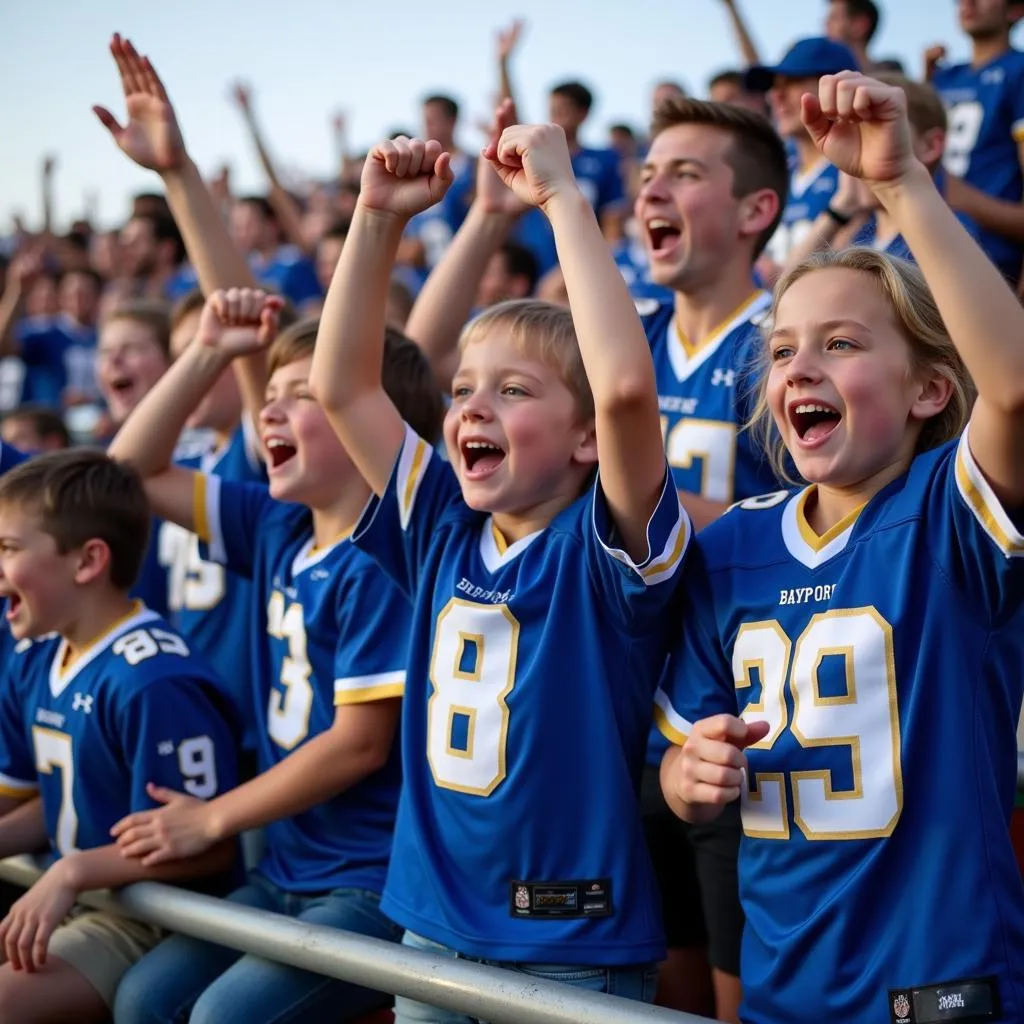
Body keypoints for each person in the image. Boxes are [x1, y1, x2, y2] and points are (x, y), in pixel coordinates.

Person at [309, 99, 690, 1020]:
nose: (473, 408)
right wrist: (377, 219)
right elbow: (343, 385)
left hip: (569, 948)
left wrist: (562, 197)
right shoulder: (439, 524)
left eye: (514, 392)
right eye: (465, 390)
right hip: (434, 927)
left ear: (587, 438)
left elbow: (630, 389)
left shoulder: (607, 551)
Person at [657, 72, 1024, 1023]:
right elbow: (684, 767)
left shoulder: (949, 517)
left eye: (843, 344)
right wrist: (687, 775)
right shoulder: (732, 544)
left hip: (938, 983)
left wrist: (903, 186)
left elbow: (1015, 390)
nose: (801, 368)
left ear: (931, 390)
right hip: (784, 987)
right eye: (781, 351)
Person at [96, 36, 443, 1023]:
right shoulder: (275, 529)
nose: (271, 416)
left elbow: (356, 746)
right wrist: (206, 350)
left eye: (303, 398)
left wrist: (210, 816)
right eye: (273, 399)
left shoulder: (381, 552)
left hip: (366, 879)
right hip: (283, 862)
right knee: (145, 997)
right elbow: (125, 475)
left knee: (217, 1017)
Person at [634, 94, 789, 1022]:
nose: (654, 187)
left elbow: (821, 524)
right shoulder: (629, 342)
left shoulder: (791, 345)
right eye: (649, 172)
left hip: (750, 731)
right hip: (634, 714)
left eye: (685, 172)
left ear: (754, 211)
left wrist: (646, 502)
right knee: (662, 995)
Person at [0, 448, 239, 1023]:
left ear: (87, 562)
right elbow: (66, 797)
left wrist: (74, 870)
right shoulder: (37, 656)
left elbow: (209, 849)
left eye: (7, 549)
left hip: (151, 915)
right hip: (75, 900)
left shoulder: (153, 680)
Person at [743, 37, 859, 270]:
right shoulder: (774, 169)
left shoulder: (862, 169)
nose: (776, 96)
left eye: (792, 82)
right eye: (774, 85)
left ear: (837, 87)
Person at [930, 0, 1024, 287]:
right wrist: (923, 84)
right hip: (928, 251)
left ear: (1015, 10)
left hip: (990, 265)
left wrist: (960, 196)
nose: (967, 3)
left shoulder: (1017, 71)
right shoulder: (945, 76)